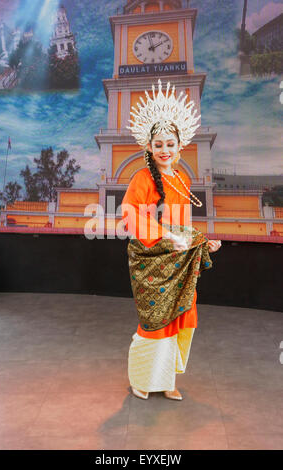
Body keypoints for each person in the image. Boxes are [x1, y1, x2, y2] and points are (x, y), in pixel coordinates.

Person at [121, 79, 222, 400]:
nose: (165, 150)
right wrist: (169, 239)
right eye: (159, 144)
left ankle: (166, 381)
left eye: (171, 144)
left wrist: (201, 244)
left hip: (179, 260)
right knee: (154, 320)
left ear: (180, 148)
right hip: (153, 259)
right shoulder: (142, 178)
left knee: (182, 318)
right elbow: (131, 214)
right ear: (149, 147)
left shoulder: (181, 178)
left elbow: (184, 226)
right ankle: (141, 379)